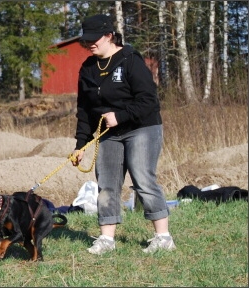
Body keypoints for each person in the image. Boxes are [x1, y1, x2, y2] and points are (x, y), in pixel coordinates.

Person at [71, 14, 175, 255]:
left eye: (94, 39)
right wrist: (80, 145)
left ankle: (163, 237)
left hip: (142, 128)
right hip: (109, 133)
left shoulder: (130, 59)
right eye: (86, 40)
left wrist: (121, 115)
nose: (90, 44)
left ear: (109, 35)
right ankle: (106, 240)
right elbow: (84, 111)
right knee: (106, 183)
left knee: (142, 178)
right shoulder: (87, 68)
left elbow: (149, 100)